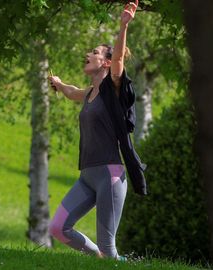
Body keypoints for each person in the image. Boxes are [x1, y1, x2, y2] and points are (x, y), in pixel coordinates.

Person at [47, 1, 146, 260]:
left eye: (94, 52)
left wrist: (123, 25)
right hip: (88, 175)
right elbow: (71, 92)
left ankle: (112, 262)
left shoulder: (112, 88)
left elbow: (120, 59)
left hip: (110, 176)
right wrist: (58, 84)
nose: (88, 54)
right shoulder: (89, 92)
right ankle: (101, 260)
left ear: (106, 63)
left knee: (108, 247)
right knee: (58, 228)